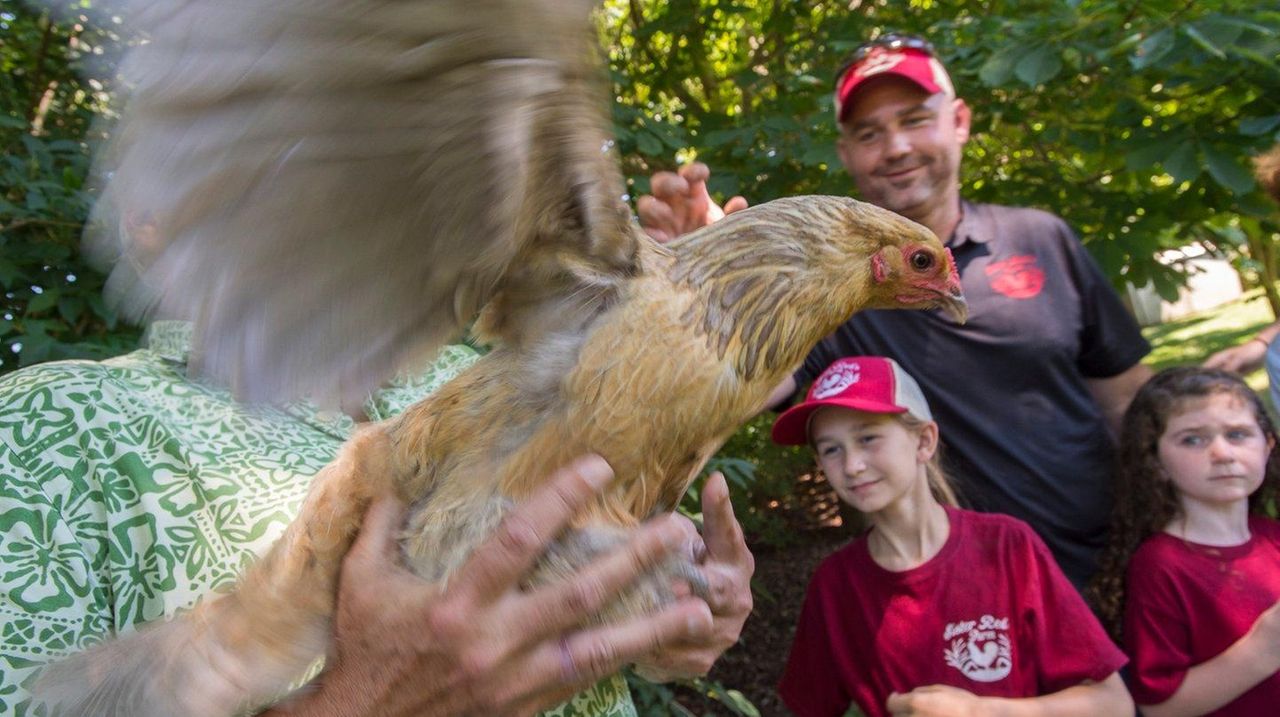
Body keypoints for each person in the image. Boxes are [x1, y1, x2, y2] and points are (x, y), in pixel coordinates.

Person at [0, 321, 754, 716]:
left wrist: (679, 613)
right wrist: (365, 703)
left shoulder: (492, 374)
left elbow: (600, 617)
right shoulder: (58, 419)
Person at [638, 33, 1152, 587]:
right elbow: (730, 389)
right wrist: (711, 292)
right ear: (846, 152)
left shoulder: (1041, 238)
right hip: (943, 601)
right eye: (869, 133)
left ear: (959, 120)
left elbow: (1128, 401)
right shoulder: (822, 297)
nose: (896, 147)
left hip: (1109, 566)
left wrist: (1170, 523)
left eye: (914, 119)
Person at [772, 356, 1131, 717]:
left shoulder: (1006, 546)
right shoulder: (835, 585)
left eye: (868, 438)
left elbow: (1113, 704)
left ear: (924, 441)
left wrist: (981, 712)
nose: (852, 465)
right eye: (831, 449)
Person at [1090, 367, 1280, 716]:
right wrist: (1265, 646)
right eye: (1193, 440)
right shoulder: (1161, 566)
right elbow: (1160, 707)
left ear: (1267, 445)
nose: (1222, 453)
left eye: (1237, 434)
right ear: (1155, 461)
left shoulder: (1273, 536)